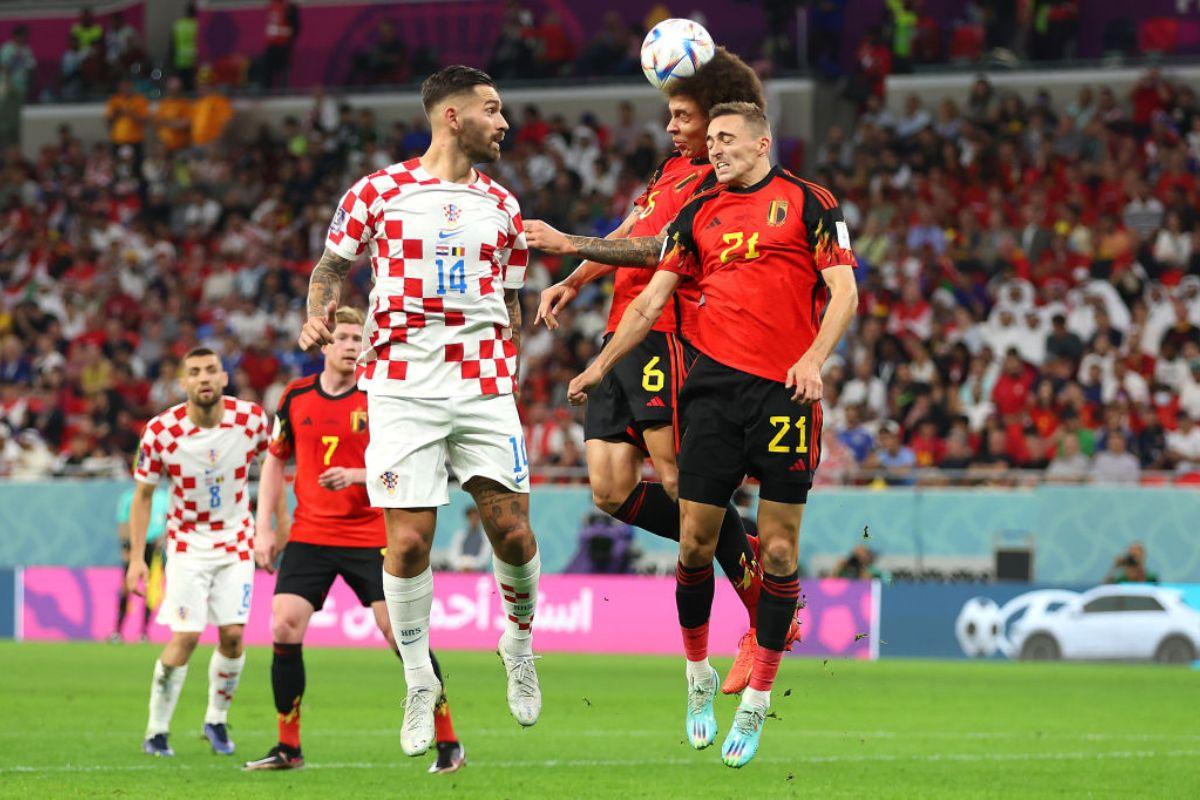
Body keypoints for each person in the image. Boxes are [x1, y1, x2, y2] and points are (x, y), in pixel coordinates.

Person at [559, 103, 858, 767]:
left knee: (778, 552)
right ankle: (696, 677)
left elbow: (844, 292)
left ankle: (756, 701)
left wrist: (813, 358)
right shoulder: (697, 213)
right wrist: (600, 363)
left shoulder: (811, 202)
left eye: (726, 139)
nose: (715, 149)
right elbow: (648, 299)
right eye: (711, 139)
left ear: (761, 142)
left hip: (786, 396)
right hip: (712, 397)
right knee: (695, 540)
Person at [297, 66, 540, 758]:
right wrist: (318, 320)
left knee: (514, 534)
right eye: (493, 110)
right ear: (452, 117)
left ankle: (518, 642)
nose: (504, 122)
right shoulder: (378, 192)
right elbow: (329, 271)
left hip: (484, 386)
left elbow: (513, 298)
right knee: (405, 544)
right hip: (401, 388)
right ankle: (416, 680)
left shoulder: (505, 207)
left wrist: (509, 364)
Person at [526, 48, 785, 697]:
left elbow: (661, 248)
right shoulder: (669, 169)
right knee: (610, 489)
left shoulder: (717, 185)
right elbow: (632, 227)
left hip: (665, 333)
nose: (672, 128)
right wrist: (576, 277)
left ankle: (763, 612)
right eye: (670, 116)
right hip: (620, 328)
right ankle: (744, 542)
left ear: (714, 121)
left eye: (682, 116)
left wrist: (569, 242)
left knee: (677, 477)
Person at [245, 307, 466, 773]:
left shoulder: (382, 396)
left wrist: (360, 473)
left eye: (357, 337)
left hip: (372, 534)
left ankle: (448, 739)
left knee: (399, 634)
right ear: (325, 344)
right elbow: (273, 461)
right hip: (311, 532)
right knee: (284, 625)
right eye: (342, 337)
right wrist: (264, 526)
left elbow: (415, 462)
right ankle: (288, 747)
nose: (350, 345)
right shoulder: (295, 396)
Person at [126, 348, 270, 757]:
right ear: (183, 383)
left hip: (236, 540)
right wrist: (137, 558)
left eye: (210, 370)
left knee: (233, 635)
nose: (204, 378)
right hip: (187, 543)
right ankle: (156, 730)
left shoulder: (251, 420)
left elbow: (275, 467)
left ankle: (216, 721)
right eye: (194, 372)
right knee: (186, 637)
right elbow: (143, 496)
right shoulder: (160, 431)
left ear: (224, 378)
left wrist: (271, 527)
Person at [111, 482, 169, 643]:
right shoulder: (129, 496)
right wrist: (125, 546)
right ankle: (117, 631)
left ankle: (144, 632)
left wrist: (163, 538)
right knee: (126, 588)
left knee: (151, 590)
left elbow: (171, 521)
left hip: (155, 547)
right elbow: (123, 522)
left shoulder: (165, 497)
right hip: (135, 547)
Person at [262, 0, 300, 88]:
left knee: (284, 69)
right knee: (268, 69)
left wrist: (290, 40)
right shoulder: (271, 6)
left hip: (284, 44)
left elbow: (296, 26)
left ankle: (283, 89)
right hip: (271, 44)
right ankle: (267, 89)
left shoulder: (289, 7)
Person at [446, 506, 491, 572]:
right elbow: (453, 555)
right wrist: (463, 564)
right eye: (471, 517)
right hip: (460, 572)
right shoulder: (459, 535)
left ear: (479, 519)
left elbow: (485, 558)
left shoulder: (485, 537)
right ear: (467, 518)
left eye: (476, 518)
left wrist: (471, 564)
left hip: (479, 573)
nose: (473, 520)